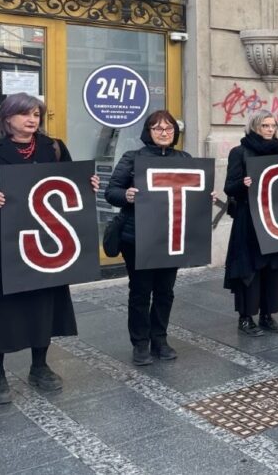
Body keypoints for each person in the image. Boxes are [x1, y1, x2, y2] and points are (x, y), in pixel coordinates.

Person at [0, 93, 99, 404]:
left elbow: (73, 186)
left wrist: (89, 186)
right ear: (7, 117)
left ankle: (40, 366)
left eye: (36, 113)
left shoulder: (54, 147)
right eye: (24, 114)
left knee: (42, 306)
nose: (32, 119)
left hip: (45, 247)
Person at [105, 110, 204, 366]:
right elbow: (111, 191)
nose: (164, 133)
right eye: (158, 128)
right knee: (140, 291)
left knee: (165, 291)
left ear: (175, 133)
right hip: (137, 237)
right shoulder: (133, 158)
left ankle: (159, 338)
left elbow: (193, 190)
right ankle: (140, 343)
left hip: (170, 236)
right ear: (148, 132)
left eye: (169, 129)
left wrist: (205, 196)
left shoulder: (184, 158)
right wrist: (126, 195)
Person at [224, 110, 278, 333]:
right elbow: (229, 187)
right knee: (251, 269)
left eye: (273, 126)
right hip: (249, 221)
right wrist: (243, 183)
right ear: (254, 127)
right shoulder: (239, 152)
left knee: (274, 268)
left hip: (275, 220)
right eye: (265, 126)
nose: (270, 130)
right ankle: (246, 317)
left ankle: (268, 315)